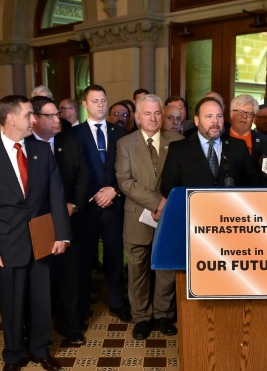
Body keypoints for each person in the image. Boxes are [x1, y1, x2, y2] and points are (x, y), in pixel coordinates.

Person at [0, 95, 71, 371]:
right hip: (6, 243)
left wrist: (62, 234)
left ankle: (40, 350)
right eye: (28, 115)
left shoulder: (41, 151)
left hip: (41, 240)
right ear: (11, 118)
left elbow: (56, 194)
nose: (34, 120)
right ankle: (13, 354)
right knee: (12, 303)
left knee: (41, 300)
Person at [116, 94, 183, 340]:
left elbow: (182, 177)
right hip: (138, 216)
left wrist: (168, 205)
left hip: (170, 217)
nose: (153, 118)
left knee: (165, 267)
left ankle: (163, 314)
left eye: (157, 113)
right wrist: (158, 202)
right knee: (138, 269)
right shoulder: (125, 144)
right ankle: (142, 317)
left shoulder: (177, 140)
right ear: (137, 116)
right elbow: (125, 181)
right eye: (148, 113)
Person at [30, 95, 89, 344]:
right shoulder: (25, 147)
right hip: (37, 224)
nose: (58, 118)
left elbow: (84, 178)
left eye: (59, 113)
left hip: (70, 220)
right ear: (34, 120)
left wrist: (73, 205)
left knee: (70, 277)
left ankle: (70, 326)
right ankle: (38, 330)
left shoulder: (71, 142)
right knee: (41, 280)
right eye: (51, 115)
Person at [71, 85, 129, 324]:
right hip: (86, 208)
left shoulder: (120, 134)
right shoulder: (74, 135)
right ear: (85, 105)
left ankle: (117, 303)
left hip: (113, 205)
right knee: (84, 260)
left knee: (115, 258)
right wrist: (90, 195)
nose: (101, 105)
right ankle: (83, 306)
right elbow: (72, 172)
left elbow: (127, 169)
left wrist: (113, 190)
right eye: (95, 101)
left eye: (104, 100)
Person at [160, 96, 257, 197]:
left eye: (219, 116)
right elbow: (167, 186)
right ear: (197, 120)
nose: (215, 121)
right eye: (209, 116)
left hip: (230, 211)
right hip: (193, 210)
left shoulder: (238, 146)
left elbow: (253, 181)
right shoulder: (178, 149)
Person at [225, 94, 267, 182]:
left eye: (249, 113)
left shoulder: (266, 142)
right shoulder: (219, 140)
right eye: (240, 112)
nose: (244, 116)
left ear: (253, 118)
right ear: (231, 113)